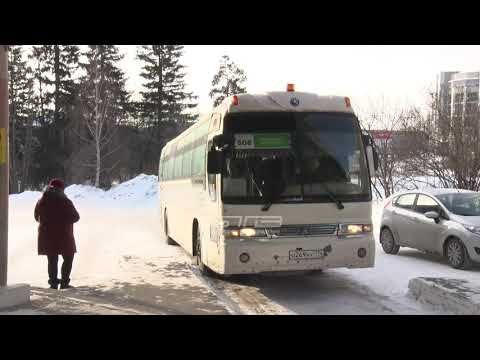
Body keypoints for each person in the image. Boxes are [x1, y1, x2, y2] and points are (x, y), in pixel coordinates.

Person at [34, 179, 80, 290]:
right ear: (61, 189)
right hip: (64, 235)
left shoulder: (42, 200)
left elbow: (36, 217)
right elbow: (76, 217)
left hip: (47, 236)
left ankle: (53, 283)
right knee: (68, 257)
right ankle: (64, 283)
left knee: (52, 259)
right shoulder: (65, 201)